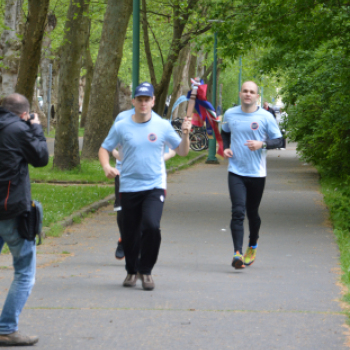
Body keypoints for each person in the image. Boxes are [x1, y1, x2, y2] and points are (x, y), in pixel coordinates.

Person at [99, 82, 191, 290]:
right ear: (133, 101)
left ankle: (146, 270)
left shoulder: (162, 126)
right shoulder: (122, 125)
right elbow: (104, 148)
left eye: (146, 99)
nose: (143, 103)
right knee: (129, 232)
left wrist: (185, 134)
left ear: (153, 101)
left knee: (151, 226)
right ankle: (132, 271)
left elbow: (183, 152)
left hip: (154, 185)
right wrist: (106, 166)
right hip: (129, 186)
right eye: (139, 99)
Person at [0, 93, 49, 346]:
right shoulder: (20, 128)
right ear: (23, 113)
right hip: (11, 210)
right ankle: (6, 328)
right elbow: (41, 158)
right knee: (24, 273)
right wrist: (36, 128)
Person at [221, 82, 283, 269]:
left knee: (252, 212)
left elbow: (280, 140)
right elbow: (224, 133)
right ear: (240, 94)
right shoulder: (230, 114)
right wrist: (226, 148)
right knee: (238, 211)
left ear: (257, 96)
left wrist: (261, 144)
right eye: (245, 91)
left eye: (252, 92)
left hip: (256, 173)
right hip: (236, 171)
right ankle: (237, 253)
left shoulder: (265, 116)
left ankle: (253, 244)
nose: (248, 94)